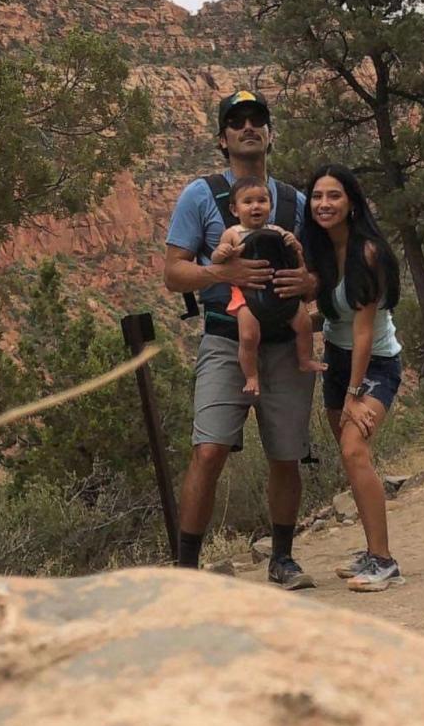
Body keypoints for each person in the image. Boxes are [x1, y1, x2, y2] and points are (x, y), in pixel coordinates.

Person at [163, 89, 317, 589]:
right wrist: (223, 272)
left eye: (257, 120)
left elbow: (316, 272)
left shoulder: (293, 200)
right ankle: (186, 570)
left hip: (284, 342)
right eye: (237, 122)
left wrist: (308, 285)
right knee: (208, 449)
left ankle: (283, 558)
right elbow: (173, 273)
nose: (248, 128)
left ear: (269, 132)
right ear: (223, 138)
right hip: (226, 339)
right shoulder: (200, 196)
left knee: (285, 452)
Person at [302, 163, 405, 592]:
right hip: (337, 361)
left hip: (374, 364)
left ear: (352, 203)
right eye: (317, 197)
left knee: (354, 448)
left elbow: (364, 333)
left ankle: (384, 562)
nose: (324, 204)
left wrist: (353, 394)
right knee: (350, 456)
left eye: (334, 196)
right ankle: (371, 550)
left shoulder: (368, 254)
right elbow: (328, 317)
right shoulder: (322, 252)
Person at [210, 176, 326, 396]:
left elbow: (296, 254)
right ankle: (252, 376)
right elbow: (218, 259)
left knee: (303, 322)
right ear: (235, 209)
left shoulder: (279, 230)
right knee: (248, 336)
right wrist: (223, 253)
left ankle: (304, 359)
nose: (256, 206)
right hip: (246, 294)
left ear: (270, 206)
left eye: (262, 201)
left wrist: (294, 243)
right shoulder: (233, 233)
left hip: (278, 291)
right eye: (248, 202)